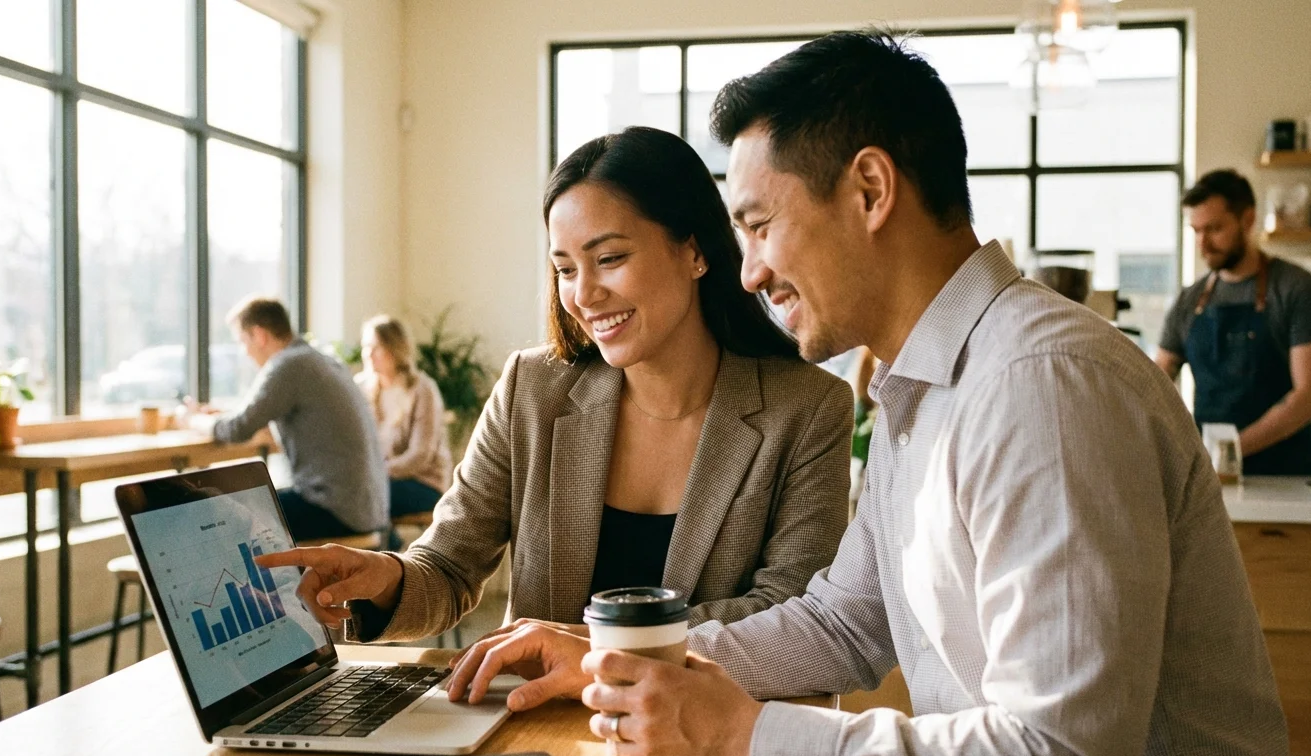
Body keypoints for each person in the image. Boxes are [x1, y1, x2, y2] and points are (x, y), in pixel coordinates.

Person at [438, 31, 1287, 756]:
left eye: (761, 226)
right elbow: (845, 622)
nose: (750, 272)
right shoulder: (922, 387)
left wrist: (745, 739)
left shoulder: (1040, 386)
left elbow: (1060, 750)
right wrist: (603, 658)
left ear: (871, 190)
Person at [256, 126, 852, 644]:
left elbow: (788, 612)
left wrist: (586, 646)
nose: (584, 295)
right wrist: (387, 580)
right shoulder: (532, 389)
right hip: (538, 731)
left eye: (610, 258)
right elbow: (449, 565)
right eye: (566, 269)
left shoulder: (806, 409)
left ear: (693, 251)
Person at [1156, 169, 1311, 475]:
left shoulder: (1297, 289)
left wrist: (1229, 450)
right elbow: (1155, 380)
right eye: (1196, 231)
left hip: (1284, 477)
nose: (1203, 243)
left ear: (1247, 220)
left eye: (1214, 229)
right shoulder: (1190, 300)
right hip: (1209, 476)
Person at [197, 297, 388, 541]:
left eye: (242, 342)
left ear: (259, 335)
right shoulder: (317, 360)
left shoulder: (288, 365)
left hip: (335, 511)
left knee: (219, 516)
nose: (244, 352)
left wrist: (192, 421)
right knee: (243, 507)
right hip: (365, 509)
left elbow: (238, 428)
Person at [355, 314, 453, 550]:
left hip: (423, 482)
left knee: (367, 495)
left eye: (376, 347)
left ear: (394, 348)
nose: (368, 354)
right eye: (365, 347)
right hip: (379, 480)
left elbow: (420, 455)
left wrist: (377, 473)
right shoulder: (362, 388)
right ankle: (382, 549)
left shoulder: (422, 389)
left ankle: (382, 555)